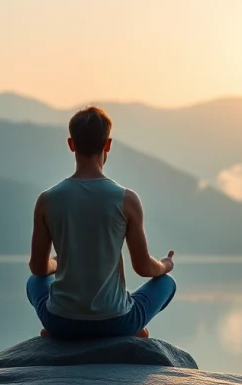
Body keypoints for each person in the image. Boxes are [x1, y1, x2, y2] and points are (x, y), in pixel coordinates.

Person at [26, 105, 177, 339]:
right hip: (115, 323)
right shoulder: (127, 200)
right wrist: (165, 265)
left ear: (71, 144)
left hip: (60, 322)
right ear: (108, 145)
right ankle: (133, 331)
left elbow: (37, 268)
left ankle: (57, 335)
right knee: (167, 284)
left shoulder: (47, 200)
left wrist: (56, 263)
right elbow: (143, 268)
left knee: (33, 282)